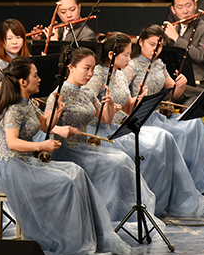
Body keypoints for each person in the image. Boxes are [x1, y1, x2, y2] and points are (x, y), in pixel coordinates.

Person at [0, 56, 129, 255]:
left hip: (27, 162)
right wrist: (41, 146)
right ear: (23, 82)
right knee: (67, 181)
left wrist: (57, 114)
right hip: (14, 166)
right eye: (35, 76)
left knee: (77, 172)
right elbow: (12, 143)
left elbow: (45, 125)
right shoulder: (14, 109)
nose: (40, 79)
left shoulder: (29, 104)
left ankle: (85, 236)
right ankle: (65, 238)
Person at [85, 32, 203, 217]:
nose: (129, 58)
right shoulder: (97, 76)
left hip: (119, 126)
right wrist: (108, 109)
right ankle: (143, 203)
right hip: (102, 131)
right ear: (111, 55)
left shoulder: (119, 74)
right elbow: (88, 108)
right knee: (154, 146)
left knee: (164, 137)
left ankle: (162, 202)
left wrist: (138, 99)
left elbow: (127, 107)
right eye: (126, 54)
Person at [45, 47, 157, 222]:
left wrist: (110, 104)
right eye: (86, 68)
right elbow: (45, 126)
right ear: (71, 67)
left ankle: (119, 214)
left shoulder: (87, 92)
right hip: (67, 150)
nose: (90, 74)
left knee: (123, 158)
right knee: (116, 162)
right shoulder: (58, 95)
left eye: (92, 68)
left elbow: (105, 118)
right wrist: (58, 126)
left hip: (84, 147)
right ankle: (106, 216)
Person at [124, 24, 204, 197]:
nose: (156, 49)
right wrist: (137, 100)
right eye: (152, 44)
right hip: (141, 118)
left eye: (160, 45)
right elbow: (123, 99)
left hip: (159, 116)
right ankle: (180, 187)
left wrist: (181, 84)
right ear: (140, 42)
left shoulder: (159, 64)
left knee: (195, 124)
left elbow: (174, 93)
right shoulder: (131, 66)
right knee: (177, 132)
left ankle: (198, 183)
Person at [163, 0, 204, 103]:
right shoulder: (173, 28)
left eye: (188, 6)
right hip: (174, 85)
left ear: (195, 5)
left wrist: (176, 38)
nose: (185, 11)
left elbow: (200, 55)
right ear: (173, 10)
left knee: (187, 111)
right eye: (180, 7)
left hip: (195, 88)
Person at [0, 18, 31, 93]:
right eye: (9, 38)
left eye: (18, 37)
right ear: (2, 41)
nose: (14, 42)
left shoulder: (28, 59)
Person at [31, 0, 96, 44]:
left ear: (79, 8)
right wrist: (38, 41)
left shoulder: (87, 35)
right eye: (63, 12)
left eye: (72, 9)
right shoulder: (57, 29)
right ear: (58, 13)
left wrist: (55, 43)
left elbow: (76, 56)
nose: (69, 15)